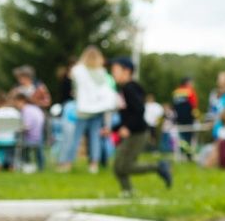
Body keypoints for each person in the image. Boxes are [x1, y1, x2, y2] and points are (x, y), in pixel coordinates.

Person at [109, 57, 171, 196]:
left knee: (124, 166)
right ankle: (128, 192)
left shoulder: (130, 88)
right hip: (133, 131)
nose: (112, 73)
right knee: (118, 166)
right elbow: (128, 115)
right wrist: (113, 129)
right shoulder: (124, 88)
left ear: (126, 71)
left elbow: (139, 110)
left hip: (138, 133)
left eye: (115, 70)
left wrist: (127, 127)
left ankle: (159, 167)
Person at [58, 46, 118, 173]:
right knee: (94, 138)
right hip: (98, 110)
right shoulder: (102, 73)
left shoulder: (78, 71)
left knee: (75, 138)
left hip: (83, 110)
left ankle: (67, 164)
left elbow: (75, 89)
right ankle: (93, 165)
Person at [12, 92, 46, 171]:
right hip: (40, 136)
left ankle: (25, 165)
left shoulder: (26, 111)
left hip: (31, 138)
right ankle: (40, 167)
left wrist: (16, 129)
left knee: (17, 144)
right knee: (37, 150)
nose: (15, 105)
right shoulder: (34, 108)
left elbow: (27, 126)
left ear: (21, 101)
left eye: (16, 103)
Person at [171, 77, 199, 145]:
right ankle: (188, 149)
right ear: (187, 83)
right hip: (189, 118)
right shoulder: (190, 91)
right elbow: (194, 105)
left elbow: (174, 106)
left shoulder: (176, 92)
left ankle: (183, 148)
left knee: (181, 136)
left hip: (179, 118)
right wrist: (197, 116)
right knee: (189, 137)